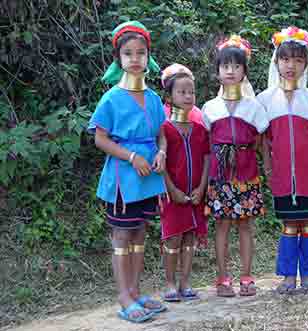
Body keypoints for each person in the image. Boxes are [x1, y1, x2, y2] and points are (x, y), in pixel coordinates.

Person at [88, 21, 167, 322]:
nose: (135, 59)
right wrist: (132, 156)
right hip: (124, 179)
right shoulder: (111, 98)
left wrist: (161, 153)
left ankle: (135, 292)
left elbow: (161, 135)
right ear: (118, 59)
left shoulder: (155, 98)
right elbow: (100, 138)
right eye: (128, 53)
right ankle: (123, 297)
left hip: (149, 179)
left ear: (148, 57)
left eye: (141, 53)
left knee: (139, 233)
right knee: (122, 235)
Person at [257, 26, 308, 294]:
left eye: (298, 60)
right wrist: (267, 163)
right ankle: (287, 277)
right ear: (276, 62)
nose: (291, 65)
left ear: (305, 65)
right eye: (285, 59)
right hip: (283, 173)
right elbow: (264, 139)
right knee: (288, 224)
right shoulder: (265, 100)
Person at [202, 35, 269, 297]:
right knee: (222, 226)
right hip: (220, 178)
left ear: (244, 71)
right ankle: (222, 278)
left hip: (247, 174)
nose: (230, 71)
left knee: (245, 226)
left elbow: (261, 141)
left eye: (236, 66)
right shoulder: (209, 108)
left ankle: (247, 277)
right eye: (225, 66)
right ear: (217, 72)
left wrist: (270, 169)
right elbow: (206, 146)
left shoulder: (254, 107)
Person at [159, 63, 210, 301]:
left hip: (196, 194)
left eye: (191, 92)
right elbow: (162, 165)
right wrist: (172, 190)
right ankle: (169, 283)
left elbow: (207, 158)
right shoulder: (165, 129)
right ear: (169, 97)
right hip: (174, 195)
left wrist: (202, 187)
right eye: (182, 92)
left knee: (190, 236)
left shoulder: (200, 129)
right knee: (173, 237)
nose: (188, 96)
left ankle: (185, 282)